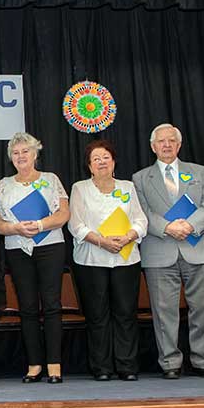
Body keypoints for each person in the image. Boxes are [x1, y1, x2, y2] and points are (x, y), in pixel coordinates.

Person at [132, 123, 204, 379]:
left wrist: (190, 225)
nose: (167, 145)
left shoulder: (200, 171)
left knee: (202, 308)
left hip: (199, 247)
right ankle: (170, 362)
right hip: (160, 250)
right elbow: (141, 211)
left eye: (172, 140)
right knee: (164, 312)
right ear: (153, 146)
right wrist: (167, 227)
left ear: (179, 145)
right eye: (161, 141)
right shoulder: (140, 178)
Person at [67, 139, 147, 382]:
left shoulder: (128, 187)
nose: (101, 162)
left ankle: (127, 366)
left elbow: (140, 220)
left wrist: (128, 236)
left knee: (125, 313)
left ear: (113, 162)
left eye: (106, 158)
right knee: (97, 315)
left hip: (125, 258)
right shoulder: (80, 188)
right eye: (96, 159)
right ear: (89, 166)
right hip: (91, 259)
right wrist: (102, 241)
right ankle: (101, 367)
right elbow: (76, 224)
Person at [0, 132, 70, 384]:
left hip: (50, 246)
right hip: (17, 249)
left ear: (35, 153)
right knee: (27, 307)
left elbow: (64, 214)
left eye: (25, 151)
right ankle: (34, 364)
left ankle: (54, 364)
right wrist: (16, 228)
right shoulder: (3, 185)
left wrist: (39, 225)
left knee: (51, 304)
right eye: (15, 153)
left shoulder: (51, 180)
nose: (20, 156)